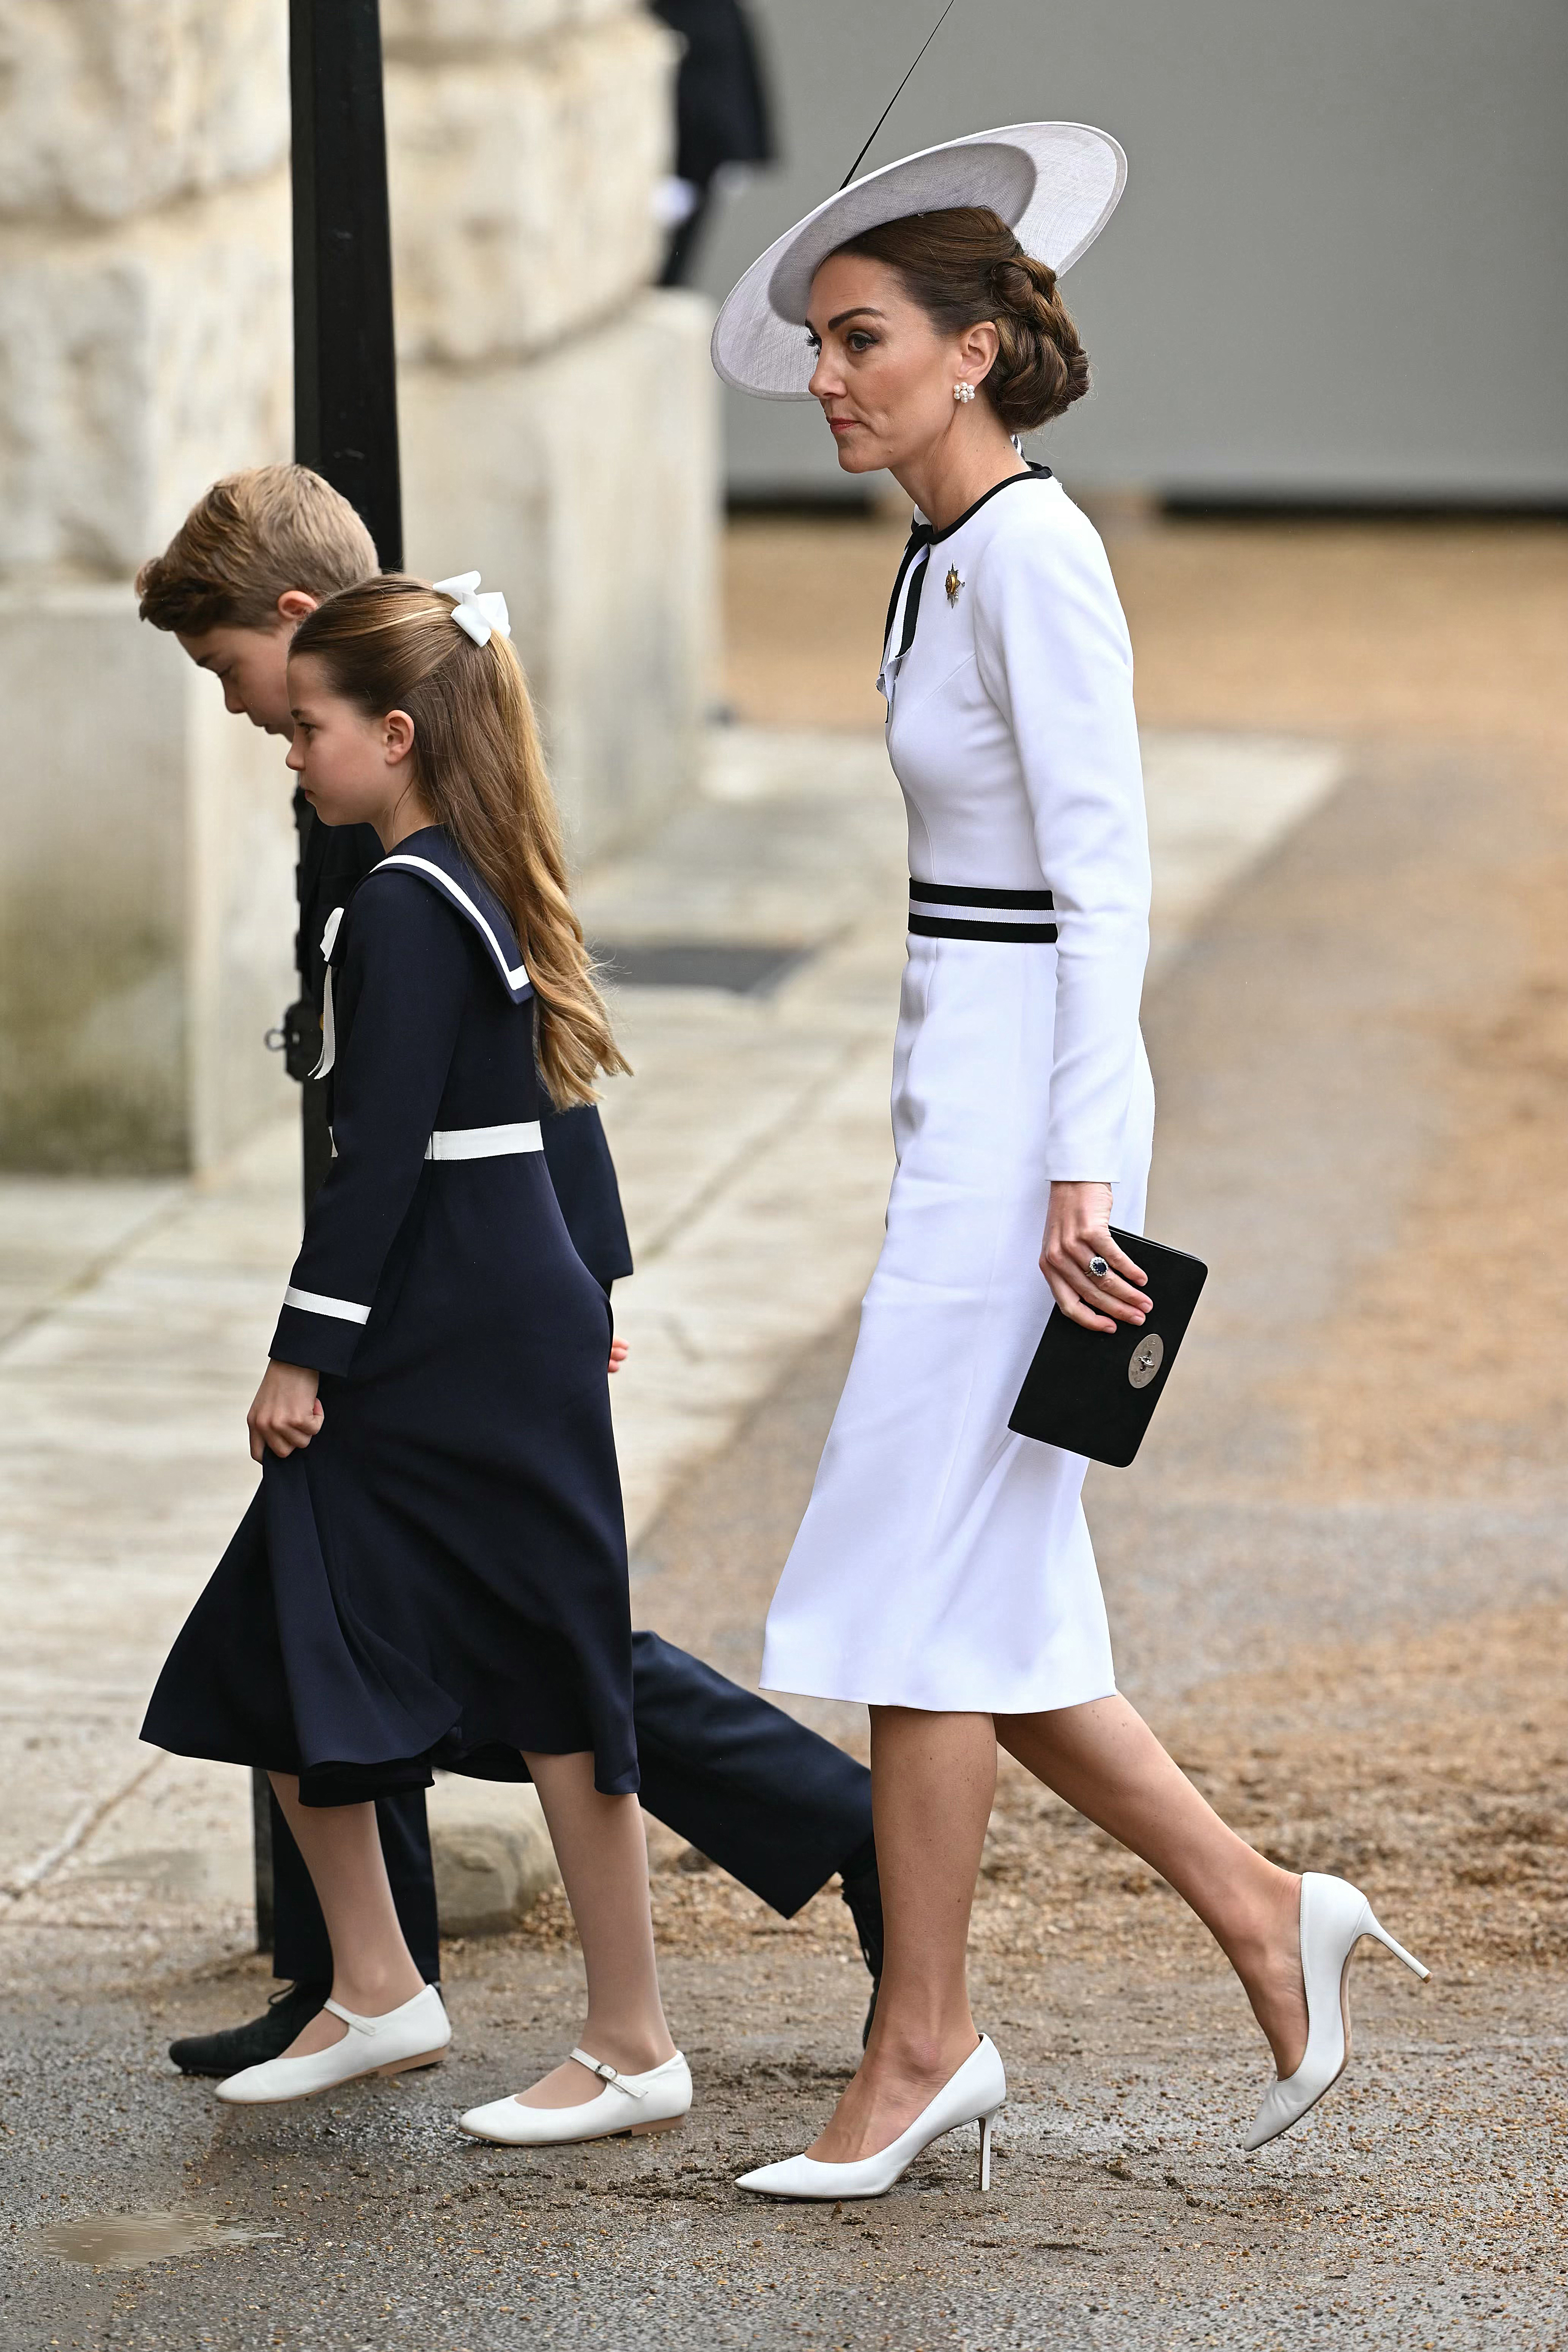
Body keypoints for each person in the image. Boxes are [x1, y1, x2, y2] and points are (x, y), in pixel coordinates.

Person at [709, 125, 1429, 2200]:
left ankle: (928, 2040)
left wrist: (1084, 1170)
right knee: (988, 1607)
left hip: (1034, 1140)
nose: (831, 376)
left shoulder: (1034, 553)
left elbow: (1106, 880)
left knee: (920, 1595)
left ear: (980, 351)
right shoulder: (935, 553)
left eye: (865, 340)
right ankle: (1257, 1908)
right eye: (825, 342)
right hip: (967, 1106)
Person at [135, 471, 883, 2081]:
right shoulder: (418, 798)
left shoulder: (398, 840)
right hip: (477, 1293)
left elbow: (463, 1110)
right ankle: (370, 1982)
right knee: (355, 1631)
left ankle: (616, 1992)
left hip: (459, 1307)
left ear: (308, 654)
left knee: (547, 1659)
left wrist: (516, 1291)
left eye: (244, 692)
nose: (254, 730)